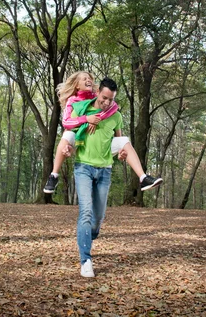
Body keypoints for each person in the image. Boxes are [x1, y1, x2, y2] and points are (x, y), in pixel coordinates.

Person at [43, 71, 162, 194]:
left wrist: (96, 120)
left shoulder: (98, 96)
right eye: (84, 78)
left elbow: (114, 107)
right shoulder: (73, 101)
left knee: (124, 141)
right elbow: (67, 122)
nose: (88, 80)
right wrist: (87, 120)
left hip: (100, 144)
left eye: (89, 78)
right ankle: (54, 176)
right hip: (80, 140)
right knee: (67, 134)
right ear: (77, 85)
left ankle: (143, 178)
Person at [72, 77, 127, 277]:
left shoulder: (115, 116)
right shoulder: (83, 109)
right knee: (85, 212)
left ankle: (87, 234)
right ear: (97, 92)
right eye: (104, 98)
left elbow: (119, 141)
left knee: (98, 218)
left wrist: (121, 153)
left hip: (105, 170)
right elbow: (69, 128)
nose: (106, 102)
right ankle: (85, 260)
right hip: (83, 167)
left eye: (110, 100)